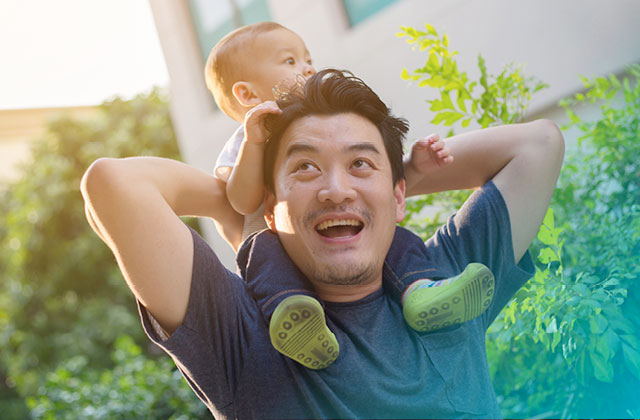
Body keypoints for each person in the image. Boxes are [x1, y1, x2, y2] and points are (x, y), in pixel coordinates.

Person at [80, 69, 564, 418]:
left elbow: (539, 144)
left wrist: (388, 187)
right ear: (272, 208)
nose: (336, 188)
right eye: (306, 167)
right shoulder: (237, 331)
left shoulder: (445, 284)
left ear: (399, 196)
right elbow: (114, 185)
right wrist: (244, 201)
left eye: (360, 163)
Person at [200, 21, 494, 368]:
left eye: (308, 59)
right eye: (290, 61)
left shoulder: (326, 128)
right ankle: (296, 320)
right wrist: (253, 142)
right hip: (277, 245)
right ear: (248, 95)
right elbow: (241, 201)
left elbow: (376, 191)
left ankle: (420, 292)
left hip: (331, 240)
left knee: (394, 239)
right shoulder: (243, 141)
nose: (308, 67)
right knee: (264, 255)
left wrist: (413, 168)